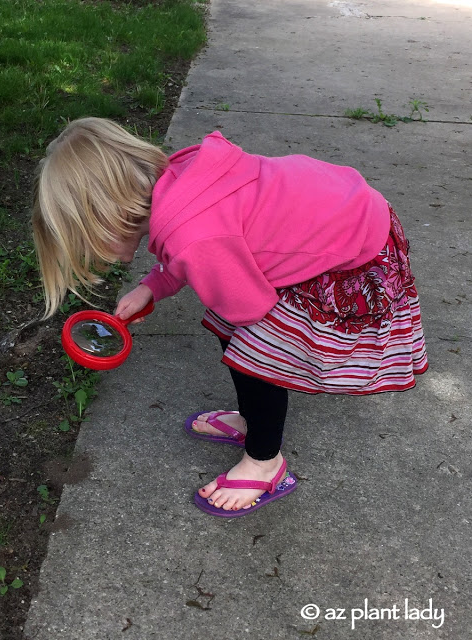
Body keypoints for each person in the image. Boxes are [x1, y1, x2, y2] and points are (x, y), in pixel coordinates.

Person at [32, 117, 428, 518]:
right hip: (342, 210)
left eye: (90, 240)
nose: (96, 255)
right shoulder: (181, 181)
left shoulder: (194, 237)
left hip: (352, 247)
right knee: (235, 333)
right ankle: (253, 419)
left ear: (110, 213)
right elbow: (199, 247)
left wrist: (249, 344)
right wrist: (150, 287)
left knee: (259, 357)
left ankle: (265, 463)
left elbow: (246, 306)